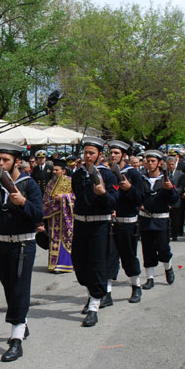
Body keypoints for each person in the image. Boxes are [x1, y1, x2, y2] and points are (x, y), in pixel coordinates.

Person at [0, 143, 43, 362]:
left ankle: (16, 340)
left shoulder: (29, 184)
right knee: (9, 287)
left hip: (23, 244)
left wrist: (23, 203)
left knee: (20, 289)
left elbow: (38, 213)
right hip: (2, 243)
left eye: (6, 160)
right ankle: (22, 323)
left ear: (17, 162)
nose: (1, 163)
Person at [71, 137, 118, 327]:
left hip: (99, 225)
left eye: (91, 153)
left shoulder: (108, 175)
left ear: (99, 154)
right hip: (81, 223)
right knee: (80, 264)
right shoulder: (78, 174)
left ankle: (94, 306)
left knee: (97, 265)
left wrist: (103, 193)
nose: (88, 156)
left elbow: (114, 202)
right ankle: (92, 295)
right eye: (86, 153)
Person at [106, 140, 144, 305]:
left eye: (116, 153)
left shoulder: (133, 174)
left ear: (124, 155)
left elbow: (140, 199)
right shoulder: (108, 173)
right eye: (111, 152)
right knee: (109, 257)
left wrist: (129, 189)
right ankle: (107, 293)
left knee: (129, 256)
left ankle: (136, 286)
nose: (113, 155)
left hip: (128, 222)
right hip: (111, 222)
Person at [139, 150, 179, 290]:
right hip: (146, 219)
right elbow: (138, 196)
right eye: (148, 161)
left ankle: (168, 267)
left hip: (160, 219)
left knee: (163, 248)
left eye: (153, 161)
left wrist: (170, 189)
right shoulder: (142, 178)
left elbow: (174, 200)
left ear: (160, 163)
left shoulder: (165, 179)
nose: (150, 164)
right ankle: (150, 278)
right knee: (147, 250)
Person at [42, 158, 75, 274]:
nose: (54, 172)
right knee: (53, 240)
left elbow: (75, 197)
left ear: (63, 171)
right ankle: (53, 264)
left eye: (57, 170)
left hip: (66, 216)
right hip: (53, 217)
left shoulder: (70, 181)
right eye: (53, 170)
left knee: (65, 240)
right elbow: (45, 199)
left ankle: (64, 264)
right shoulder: (50, 183)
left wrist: (63, 197)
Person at [166, 157, 185, 241]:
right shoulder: (164, 174)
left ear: (175, 164)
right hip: (166, 199)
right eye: (169, 164)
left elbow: (181, 187)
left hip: (176, 199)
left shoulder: (181, 174)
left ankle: (175, 234)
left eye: (172, 164)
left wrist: (172, 191)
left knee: (175, 218)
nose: (171, 166)